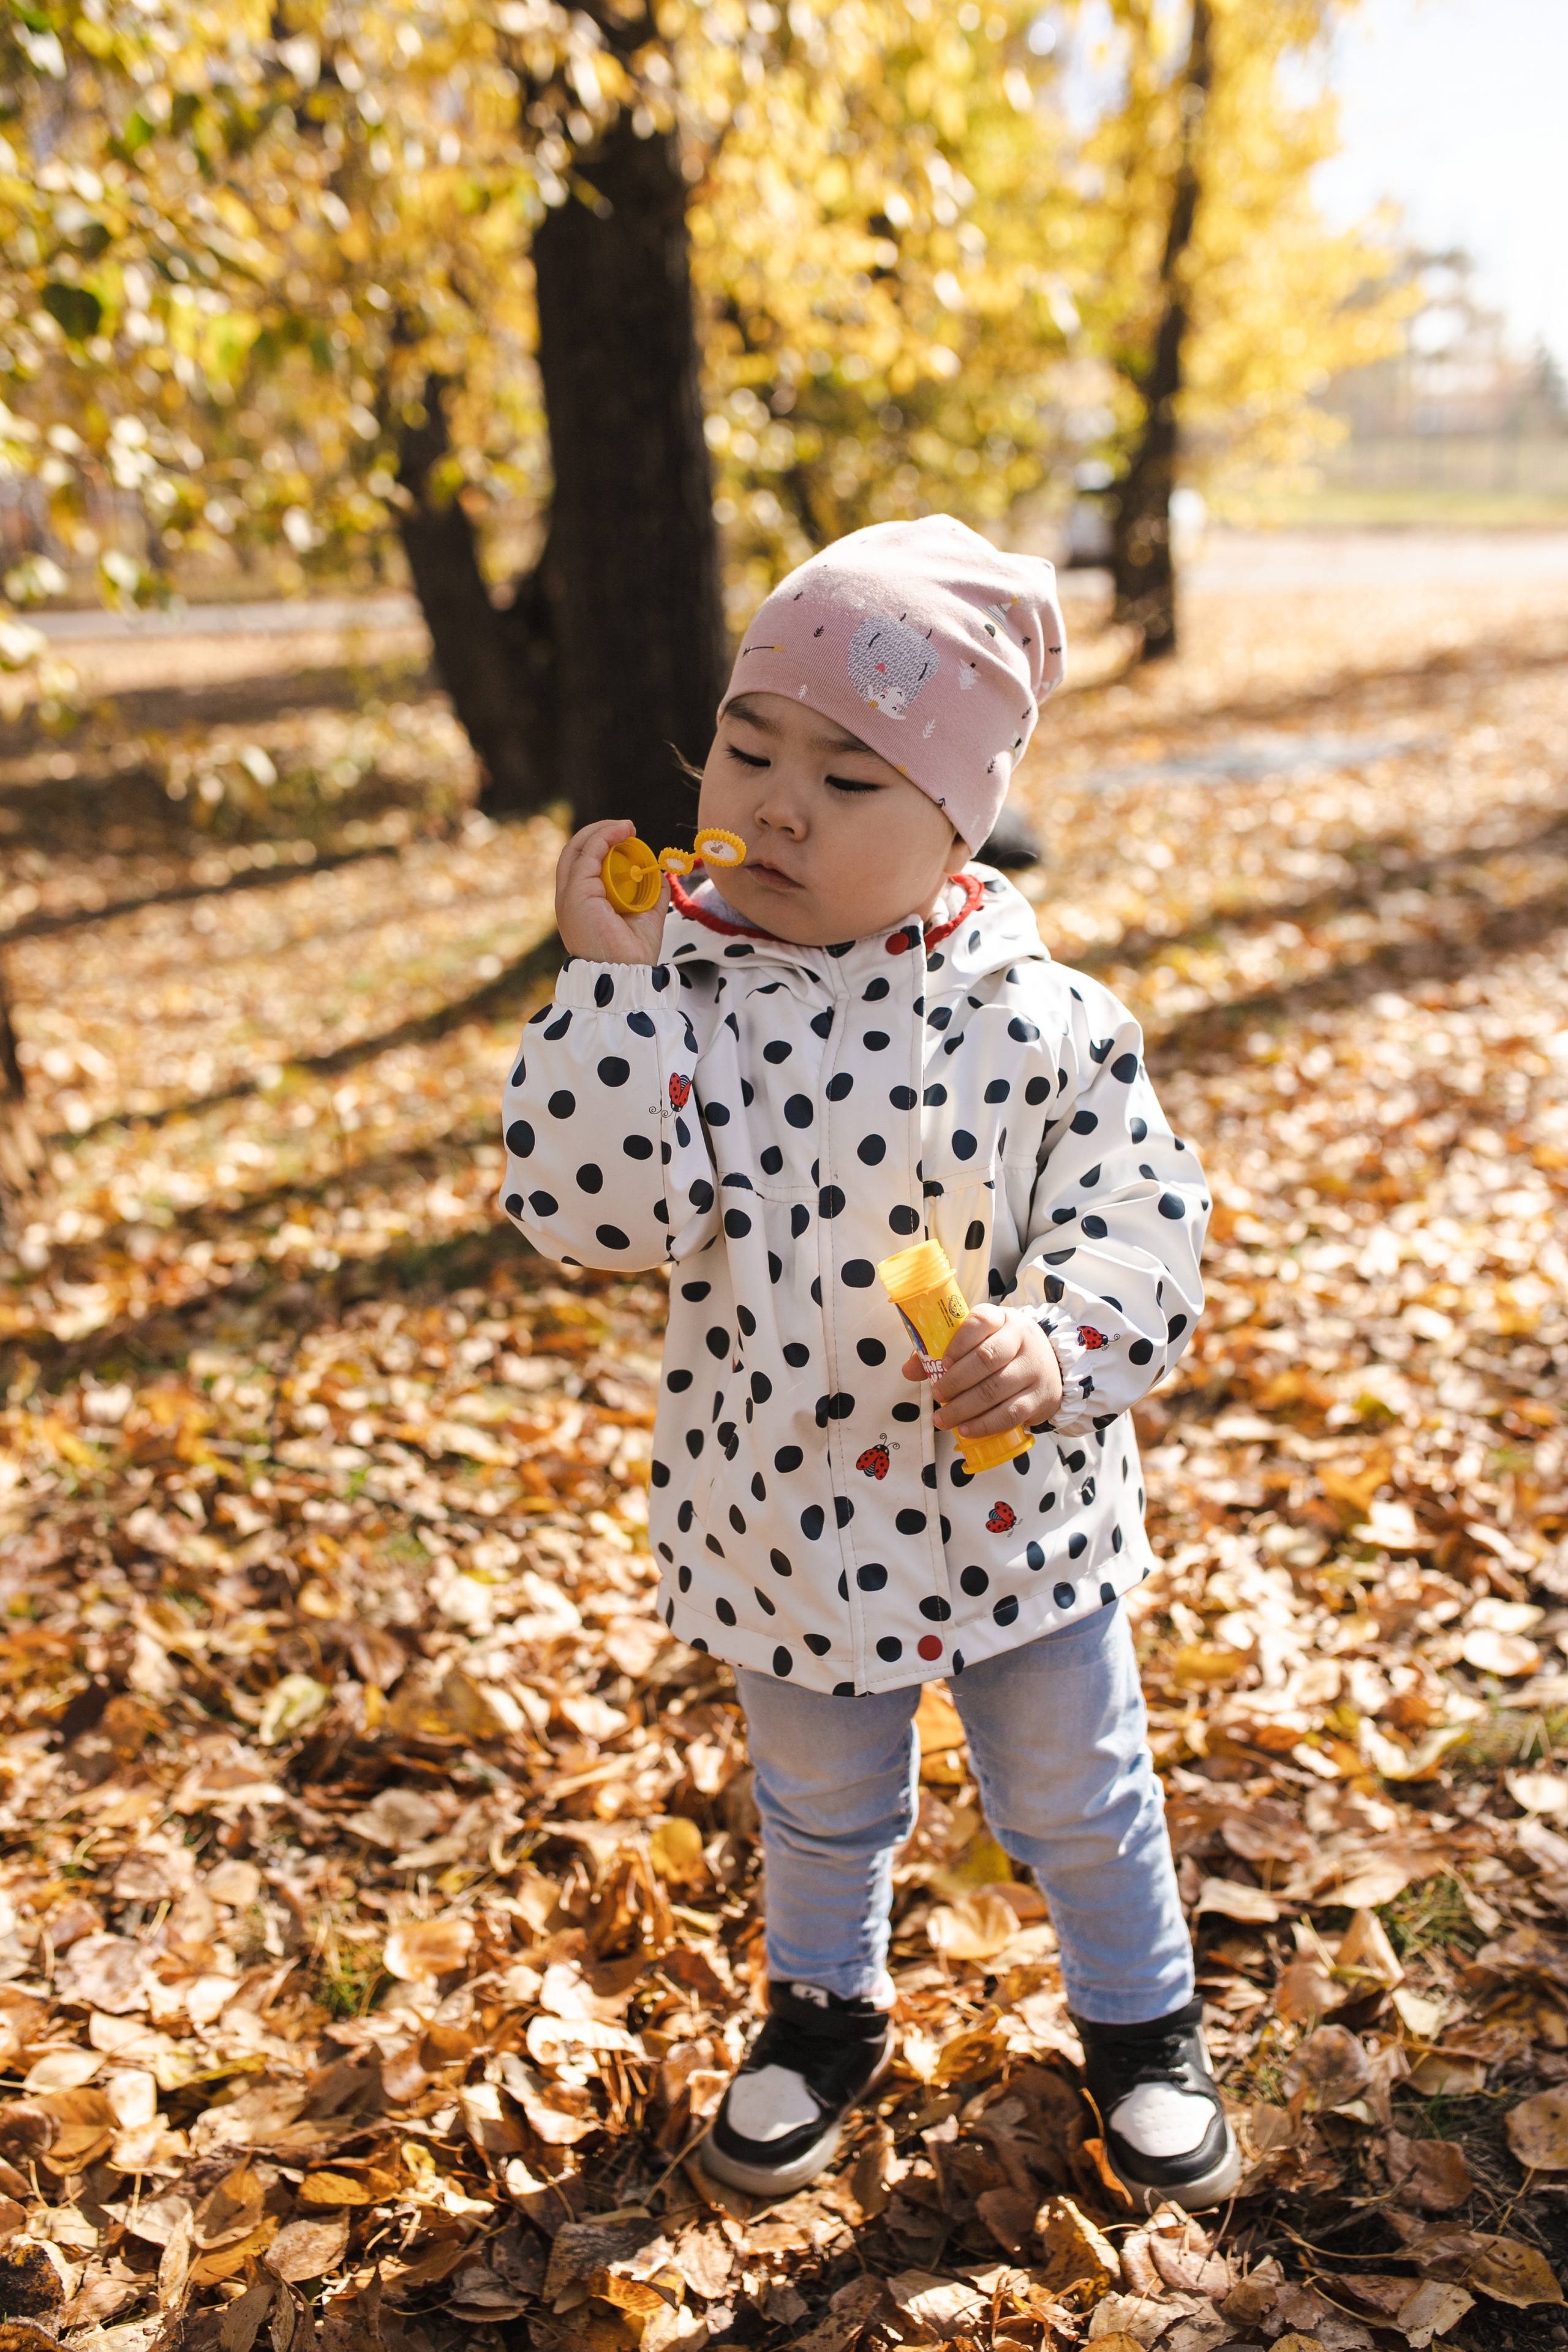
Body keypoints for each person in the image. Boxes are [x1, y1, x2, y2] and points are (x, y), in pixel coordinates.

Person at [498, 514, 1236, 2213]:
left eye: (847, 779)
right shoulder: (680, 998)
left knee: (1078, 1792)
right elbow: (593, 1218)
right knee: (820, 1801)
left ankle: (1145, 2029)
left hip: (1014, 1509)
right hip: (788, 1513)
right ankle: (822, 2016)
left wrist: (1061, 1340)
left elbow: (1146, 1218)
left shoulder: (1044, 1019)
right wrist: (607, 993)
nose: (776, 806)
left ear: (958, 819)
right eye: (748, 748)